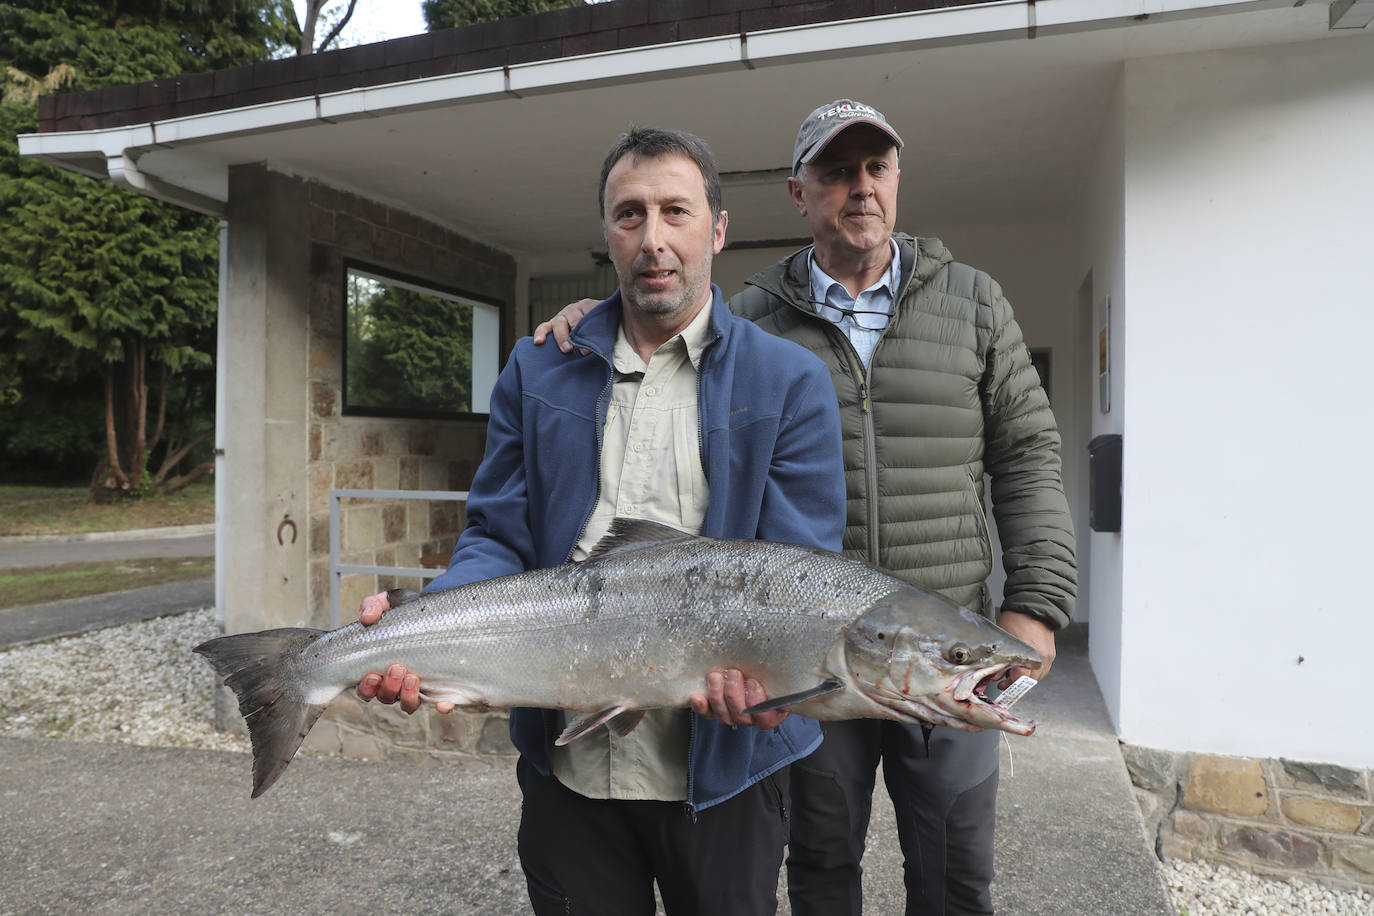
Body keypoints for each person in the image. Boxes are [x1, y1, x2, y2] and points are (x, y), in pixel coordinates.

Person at [535, 100, 1077, 916]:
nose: (860, 188)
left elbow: (1029, 455)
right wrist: (585, 318)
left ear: (896, 179)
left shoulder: (972, 304)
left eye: (876, 169)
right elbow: (663, 323)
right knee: (821, 859)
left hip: (943, 634)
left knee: (956, 865)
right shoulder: (752, 315)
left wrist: (1033, 606)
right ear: (800, 192)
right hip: (796, 648)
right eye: (836, 172)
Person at [354, 126, 846, 915]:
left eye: (676, 212)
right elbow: (498, 536)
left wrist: (779, 681)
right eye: (630, 215)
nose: (654, 239)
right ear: (607, 235)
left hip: (724, 771)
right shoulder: (539, 364)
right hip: (570, 770)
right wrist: (423, 620)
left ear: (716, 230)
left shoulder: (788, 381)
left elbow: (797, 575)